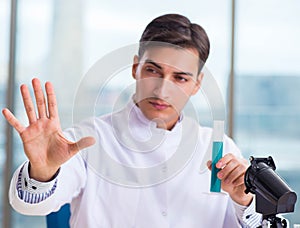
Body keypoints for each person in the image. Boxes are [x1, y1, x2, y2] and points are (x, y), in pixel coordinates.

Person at [2, 14, 262, 227]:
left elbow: (248, 223)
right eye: (152, 70)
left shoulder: (219, 148)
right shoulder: (86, 140)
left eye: (180, 78)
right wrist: (44, 173)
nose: (161, 90)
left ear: (197, 84)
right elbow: (31, 203)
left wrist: (244, 201)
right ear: (135, 67)